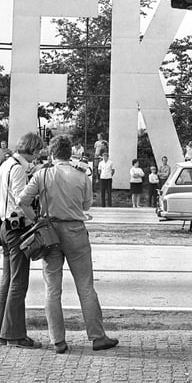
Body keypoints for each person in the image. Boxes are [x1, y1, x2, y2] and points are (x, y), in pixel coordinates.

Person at [19, 134, 118, 354]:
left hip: (50, 233)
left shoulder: (42, 175)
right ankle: (97, 336)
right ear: (71, 153)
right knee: (85, 286)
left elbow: (22, 201)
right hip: (75, 231)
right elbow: (87, 205)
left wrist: (36, 219)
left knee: (52, 288)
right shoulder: (82, 177)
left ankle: (58, 341)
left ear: (52, 153)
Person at [0, 132, 45, 349]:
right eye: (38, 151)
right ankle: (15, 335)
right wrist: (36, 219)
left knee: (7, 280)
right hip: (17, 229)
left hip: (5, 226)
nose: (38, 156)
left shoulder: (6, 164)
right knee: (19, 282)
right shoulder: (19, 168)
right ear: (32, 150)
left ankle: (1, 329)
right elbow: (21, 199)